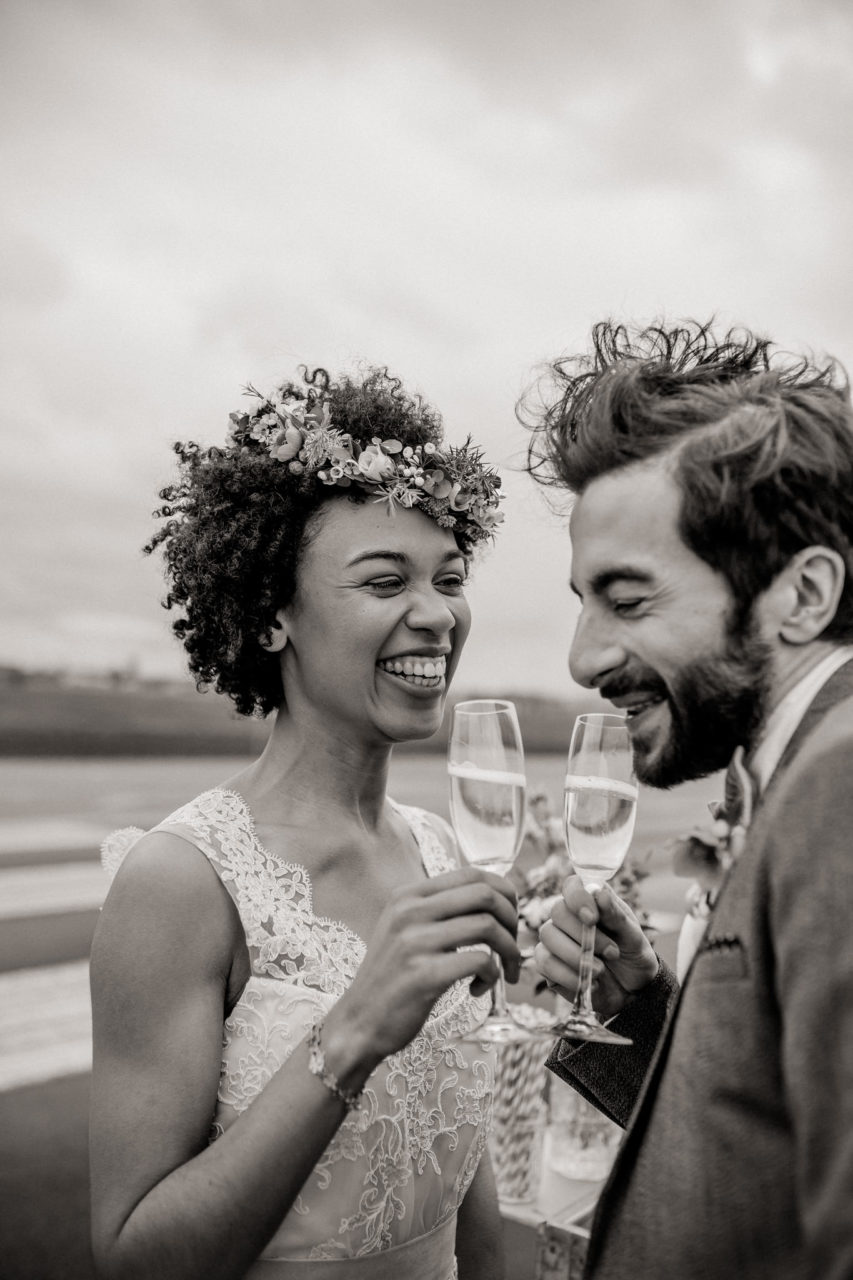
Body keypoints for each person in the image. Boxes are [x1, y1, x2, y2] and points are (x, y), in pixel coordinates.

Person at [89, 367, 518, 1280]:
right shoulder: (182, 879)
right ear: (273, 612)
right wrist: (353, 1030)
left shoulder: (438, 849)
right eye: (384, 581)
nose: (436, 616)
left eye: (449, 579)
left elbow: (464, 1192)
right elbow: (135, 1259)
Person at [523, 321, 853, 1279]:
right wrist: (642, 1016)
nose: (582, 659)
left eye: (627, 601)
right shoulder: (796, 765)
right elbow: (765, 1155)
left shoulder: (837, 790)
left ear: (801, 595)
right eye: (582, 602)